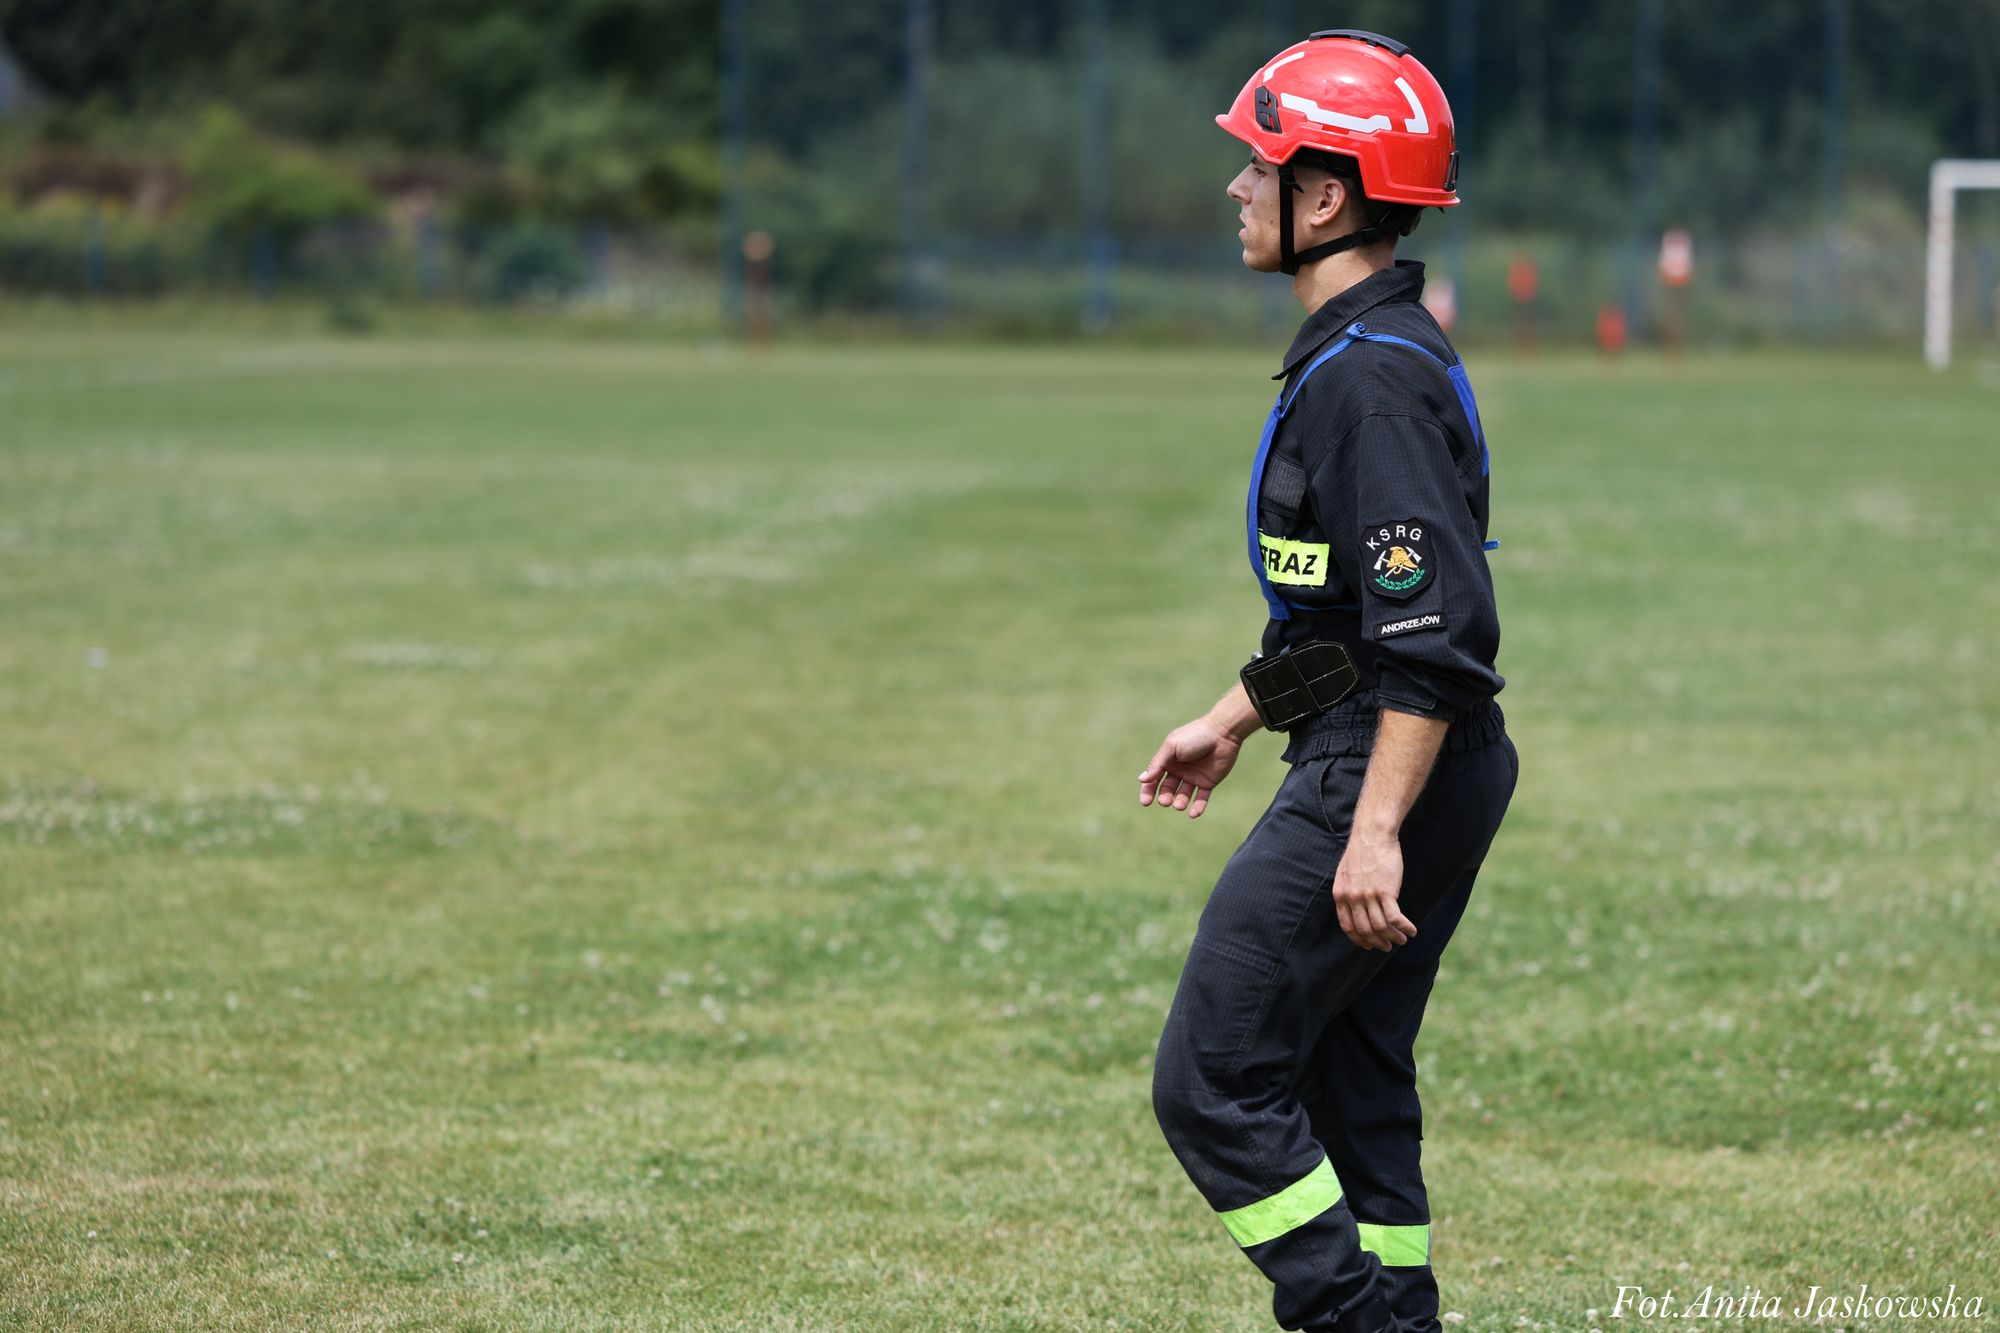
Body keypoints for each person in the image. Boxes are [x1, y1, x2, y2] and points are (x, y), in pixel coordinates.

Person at [1138, 31, 1519, 1333]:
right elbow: (1355, 617)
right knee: (1350, 1069)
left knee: (1213, 1076)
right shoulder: (1356, 356)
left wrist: (1369, 829)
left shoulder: (1370, 387)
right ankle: (1394, 1299)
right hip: (1408, 744)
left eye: (1261, 161)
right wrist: (1234, 715)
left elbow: (1436, 635)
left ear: (1330, 195)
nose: (1239, 186)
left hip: (1397, 758)